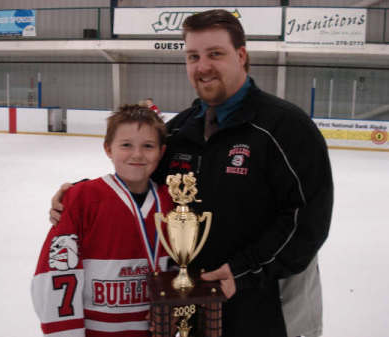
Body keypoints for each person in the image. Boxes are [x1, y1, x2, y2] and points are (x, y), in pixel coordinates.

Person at [49, 9, 333, 337]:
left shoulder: (285, 127)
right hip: (197, 303)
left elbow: (308, 221)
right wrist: (81, 195)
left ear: (241, 56)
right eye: (193, 56)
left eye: (215, 54)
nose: (202, 66)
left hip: (270, 307)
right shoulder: (181, 130)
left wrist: (242, 271)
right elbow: (141, 183)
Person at [32, 105, 174, 337]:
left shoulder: (172, 203)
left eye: (148, 146)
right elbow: (55, 272)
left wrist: (176, 310)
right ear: (108, 148)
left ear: (161, 151)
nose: (137, 154)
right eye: (126, 145)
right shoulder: (81, 199)